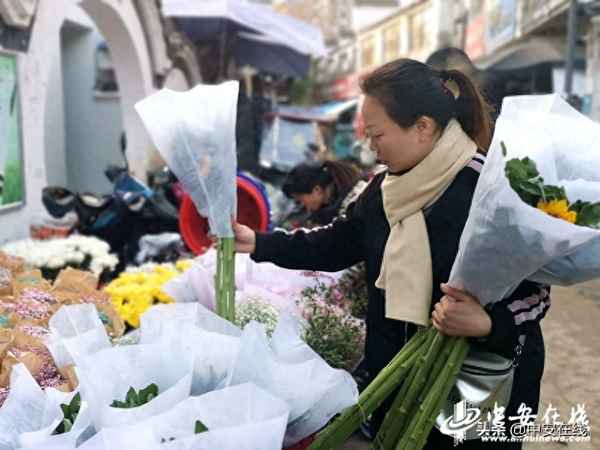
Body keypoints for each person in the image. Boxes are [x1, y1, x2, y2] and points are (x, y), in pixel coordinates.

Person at [233, 59, 549, 449]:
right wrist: (260, 242)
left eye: (377, 134)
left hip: (477, 388)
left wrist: (487, 322)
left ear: (422, 127)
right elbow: (336, 243)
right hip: (401, 379)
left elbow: (537, 292)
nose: (369, 146)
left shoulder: (488, 189)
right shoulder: (383, 190)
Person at [282, 160, 367, 226]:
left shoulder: (351, 208)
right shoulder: (329, 213)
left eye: (300, 200)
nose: (302, 206)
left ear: (317, 190)